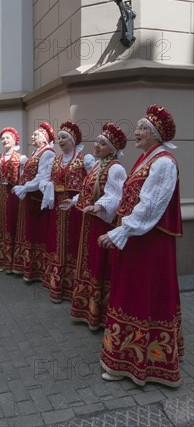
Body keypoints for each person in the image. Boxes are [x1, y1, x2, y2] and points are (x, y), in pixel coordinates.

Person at [98, 105, 183, 387]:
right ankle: (127, 358)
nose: (136, 132)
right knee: (129, 293)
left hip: (148, 243)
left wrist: (123, 230)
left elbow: (150, 206)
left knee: (139, 296)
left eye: (143, 128)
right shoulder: (146, 159)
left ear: (156, 134)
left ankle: (143, 363)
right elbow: (128, 199)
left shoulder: (163, 163)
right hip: (137, 240)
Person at [60, 123, 127, 326]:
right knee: (88, 262)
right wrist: (73, 201)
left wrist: (98, 207)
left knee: (99, 263)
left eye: (102, 143)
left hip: (101, 224)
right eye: (97, 141)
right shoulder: (98, 165)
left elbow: (116, 196)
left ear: (112, 149)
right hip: (89, 221)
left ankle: (100, 313)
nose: (96, 145)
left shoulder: (116, 168)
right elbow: (88, 191)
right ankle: (86, 308)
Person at [41, 121, 95, 302]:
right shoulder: (55, 160)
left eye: (64, 137)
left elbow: (92, 184)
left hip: (75, 208)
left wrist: (77, 199)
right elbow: (48, 180)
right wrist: (48, 188)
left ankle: (73, 288)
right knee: (57, 242)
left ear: (73, 140)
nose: (60, 140)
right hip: (57, 207)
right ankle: (56, 285)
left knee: (73, 242)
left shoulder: (84, 159)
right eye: (59, 138)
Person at [12, 121, 56, 282]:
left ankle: (36, 269)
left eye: (36, 134)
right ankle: (25, 266)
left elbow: (42, 177)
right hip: (29, 198)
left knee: (35, 232)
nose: (32, 136)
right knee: (27, 230)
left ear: (44, 139)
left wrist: (25, 188)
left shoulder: (48, 153)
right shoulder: (36, 152)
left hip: (36, 199)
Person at [0, 127, 27, 272]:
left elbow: (23, 178)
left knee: (11, 223)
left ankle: (11, 261)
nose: (4, 140)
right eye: (3, 138)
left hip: (12, 195)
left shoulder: (21, 158)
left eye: (7, 138)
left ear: (14, 140)